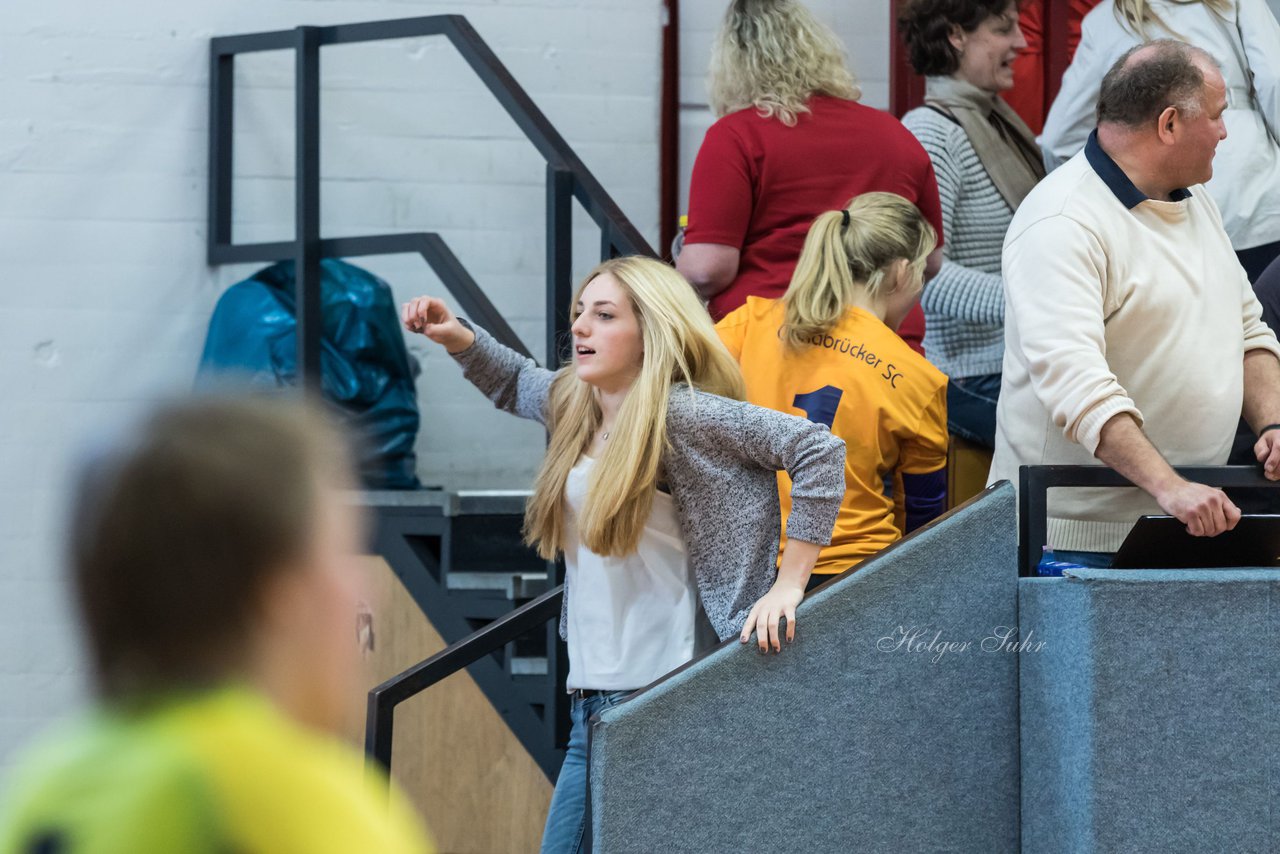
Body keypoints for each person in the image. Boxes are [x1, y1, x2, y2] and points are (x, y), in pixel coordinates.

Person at [400, 256, 845, 854]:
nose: (580, 327)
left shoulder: (683, 414)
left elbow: (818, 449)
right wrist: (455, 333)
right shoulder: (577, 404)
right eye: (579, 312)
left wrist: (789, 585)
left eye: (604, 315)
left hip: (658, 695)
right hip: (594, 700)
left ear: (652, 332)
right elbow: (517, 381)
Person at [0, 398, 434, 854]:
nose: (369, 592)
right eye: (343, 552)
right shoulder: (306, 801)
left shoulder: (41, 788)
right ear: (279, 595)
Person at [989, 40, 1280, 567]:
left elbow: (1249, 333)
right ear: (1169, 125)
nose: (1224, 131)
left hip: (1186, 518)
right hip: (1072, 540)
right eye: (1217, 116)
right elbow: (1079, 389)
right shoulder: (1062, 222)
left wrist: (1274, 425)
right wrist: (1170, 488)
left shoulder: (1194, 199)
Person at [677, 0, 944, 356]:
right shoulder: (895, 134)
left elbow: (708, 270)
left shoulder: (735, 136)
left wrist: (680, 256)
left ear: (731, 66)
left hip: (772, 351)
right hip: (884, 354)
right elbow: (930, 259)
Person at [716, 193, 949, 583]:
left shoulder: (747, 324)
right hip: (854, 573)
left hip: (742, 566)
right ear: (901, 273)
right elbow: (923, 519)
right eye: (922, 273)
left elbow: (677, 404)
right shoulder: (918, 377)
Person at [1041, 0, 1280, 281]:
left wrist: (1104, 201)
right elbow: (1274, 80)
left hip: (1157, 220)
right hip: (1256, 200)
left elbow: (1058, 139)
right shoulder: (1233, 3)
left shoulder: (1106, 19)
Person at [899, 0, 1047, 449]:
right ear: (955, 36)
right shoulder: (931, 132)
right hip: (970, 372)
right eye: (1003, 29)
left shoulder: (992, 118)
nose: (1021, 43)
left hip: (1016, 359)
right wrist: (1044, 305)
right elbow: (920, 274)